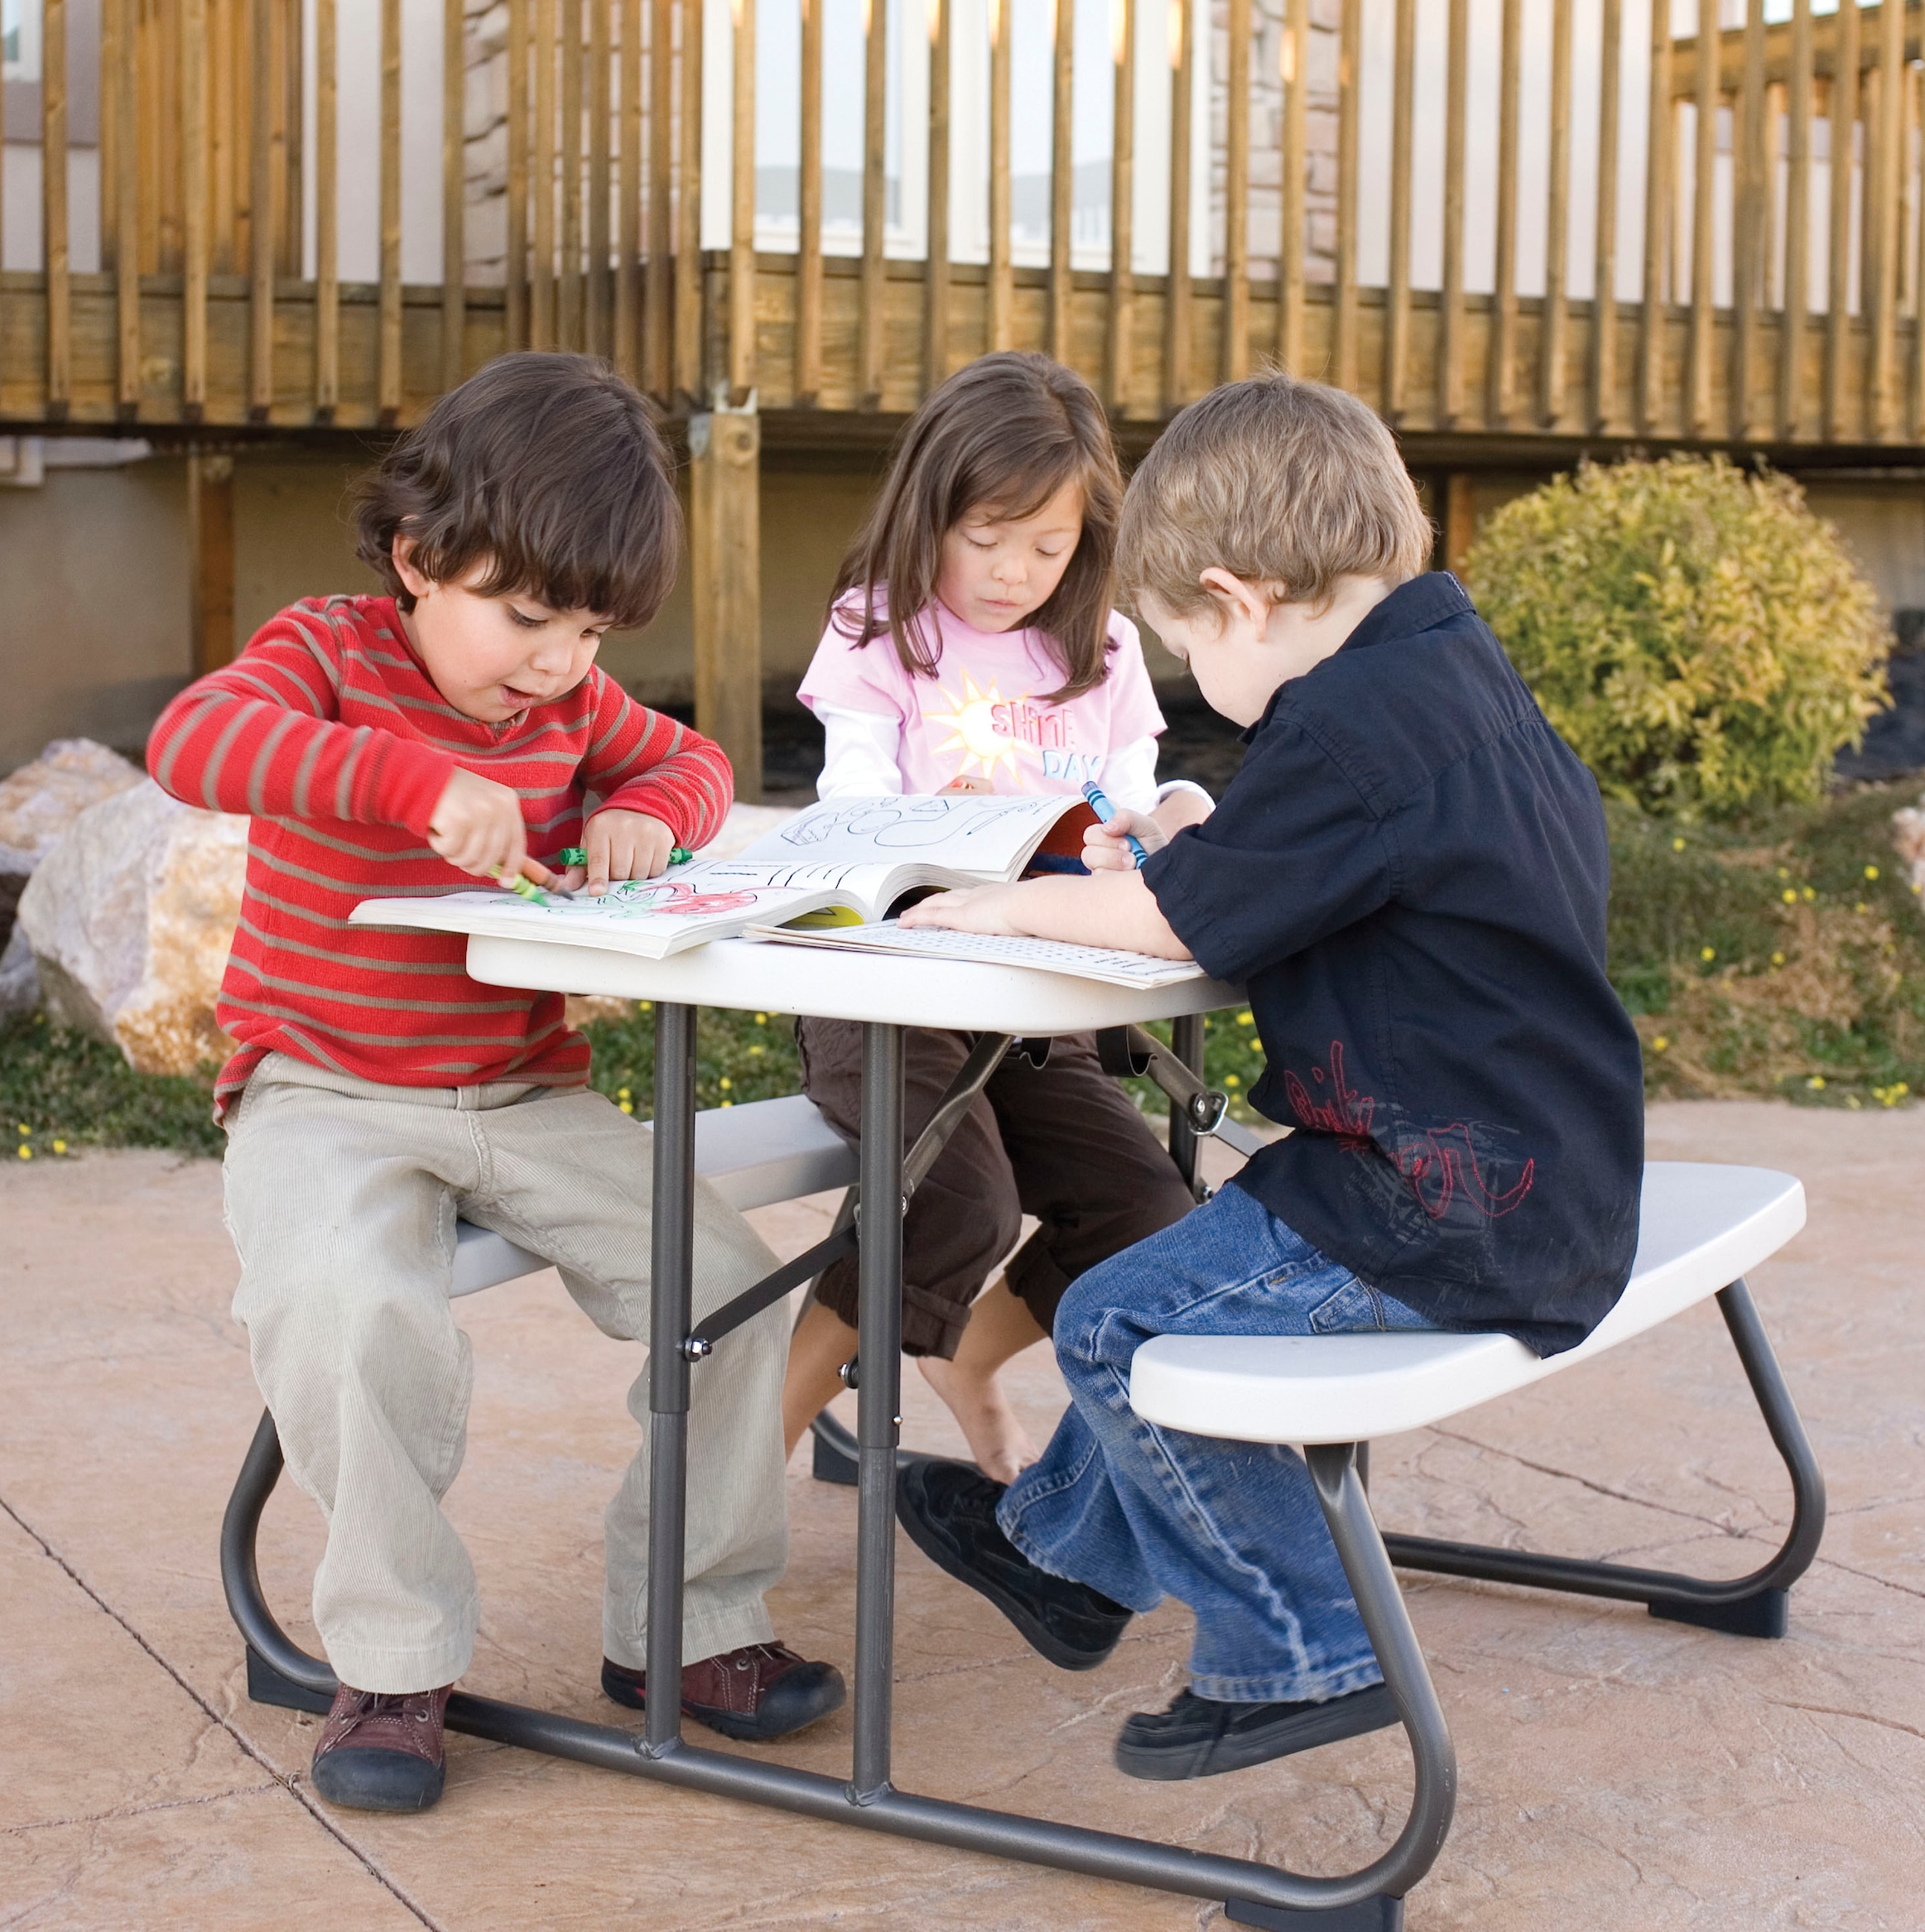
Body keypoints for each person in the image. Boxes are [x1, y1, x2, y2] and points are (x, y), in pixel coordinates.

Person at [890, 372, 1645, 1781]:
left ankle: (1303, 1654)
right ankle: (1067, 1562)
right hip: (1529, 1170)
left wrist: (1001, 906)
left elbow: (1183, 922)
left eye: (1183, 647)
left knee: (1120, 1320)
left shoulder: (1346, 731)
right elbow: (1293, 868)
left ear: (1237, 600)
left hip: (1449, 1200)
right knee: (1182, 1274)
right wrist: (1193, 852)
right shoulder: (1441, 671)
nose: (1197, 685)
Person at [148, 353, 843, 1816]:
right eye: (525, 617)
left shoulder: (574, 711)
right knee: (349, 1302)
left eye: (586, 630)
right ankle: (394, 1664)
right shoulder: (327, 651)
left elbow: (697, 763)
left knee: (734, 1291)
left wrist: (648, 813)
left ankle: (687, 1626)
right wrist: (404, 780)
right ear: (417, 556)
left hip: (523, 1095)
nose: (554, 663)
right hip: (324, 1090)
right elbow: (191, 740)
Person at [782, 351, 1212, 1483]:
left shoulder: (1102, 649)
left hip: (1036, 1009)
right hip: (893, 994)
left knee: (1147, 1209)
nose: (1013, 571)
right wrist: (944, 826)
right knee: (959, 1203)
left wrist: (1165, 818)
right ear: (930, 509)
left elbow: (1127, 796)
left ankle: (966, 1358)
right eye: (985, 536)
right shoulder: (881, 626)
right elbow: (852, 813)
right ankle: (739, 1462)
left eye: (1048, 544)